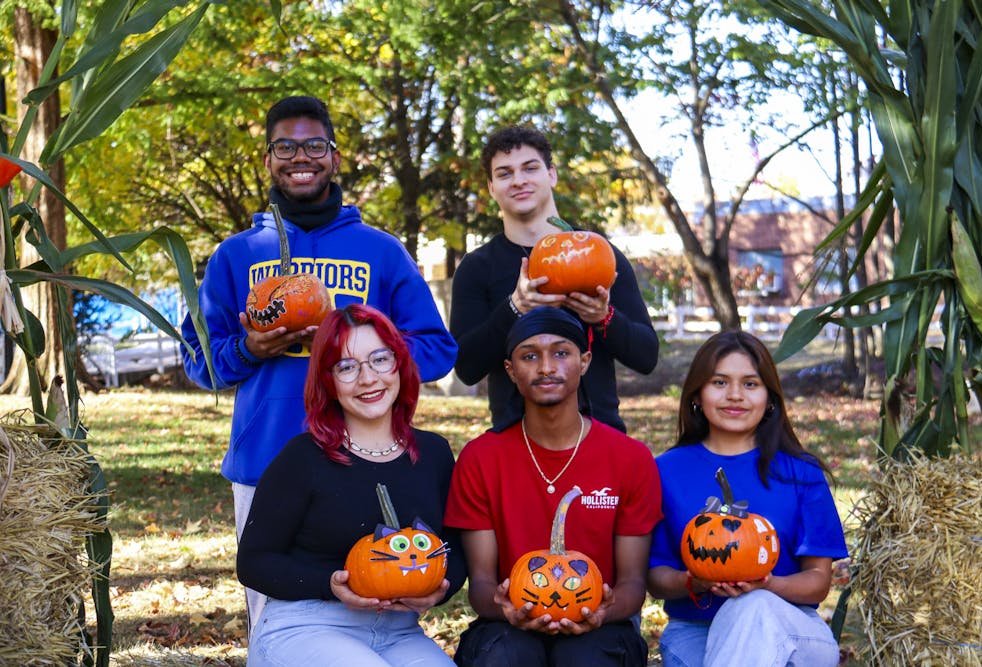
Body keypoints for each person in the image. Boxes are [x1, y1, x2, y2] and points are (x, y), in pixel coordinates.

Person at [180, 95, 457, 627]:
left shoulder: (379, 250)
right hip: (266, 460)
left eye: (313, 145)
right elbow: (200, 360)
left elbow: (438, 347)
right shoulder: (234, 256)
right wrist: (249, 348)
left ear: (333, 156)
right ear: (267, 158)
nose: (299, 156)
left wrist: (374, 358)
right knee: (273, 616)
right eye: (284, 145)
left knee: (377, 605)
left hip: (366, 464)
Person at [236, 304, 465, 667]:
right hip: (305, 626)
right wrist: (330, 583)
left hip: (399, 631)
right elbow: (254, 562)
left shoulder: (433, 453)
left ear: (399, 364)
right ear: (327, 380)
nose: (368, 378)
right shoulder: (302, 458)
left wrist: (440, 589)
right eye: (346, 367)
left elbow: (455, 551)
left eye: (379, 359)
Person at [444, 306, 662, 667]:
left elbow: (632, 584)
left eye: (561, 353)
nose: (546, 367)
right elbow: (481, 585)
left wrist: (603, 612)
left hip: (601, 626)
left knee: (587, 658)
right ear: (511, 371)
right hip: (508, 625)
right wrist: (506, 608)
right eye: (530, 356)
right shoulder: (481, 458)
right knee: (506, 655)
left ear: (585, 361)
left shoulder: (630, 458)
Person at [647, 330, 848, 667]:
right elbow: (655, 579)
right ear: (697, 394)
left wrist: (767, 586)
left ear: (770, 398)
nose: (735, 395)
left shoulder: (802, 473)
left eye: (751, 384)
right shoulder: (665, 471)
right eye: (720, 382)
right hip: (696, 630)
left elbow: (817, 581)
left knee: (751, 607)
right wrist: (694, 580)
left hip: (791, 626)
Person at [449, 125, 659, 433]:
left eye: (530, 168)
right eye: (505, 173)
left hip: (600, 438)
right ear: (492, 187)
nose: (519, 180)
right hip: (516, 443)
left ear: (551, 175)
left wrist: (604, 318)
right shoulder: (477, 267)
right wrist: (514, 308)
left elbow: (646, 356)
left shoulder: (599, 254)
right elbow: (466, 368)